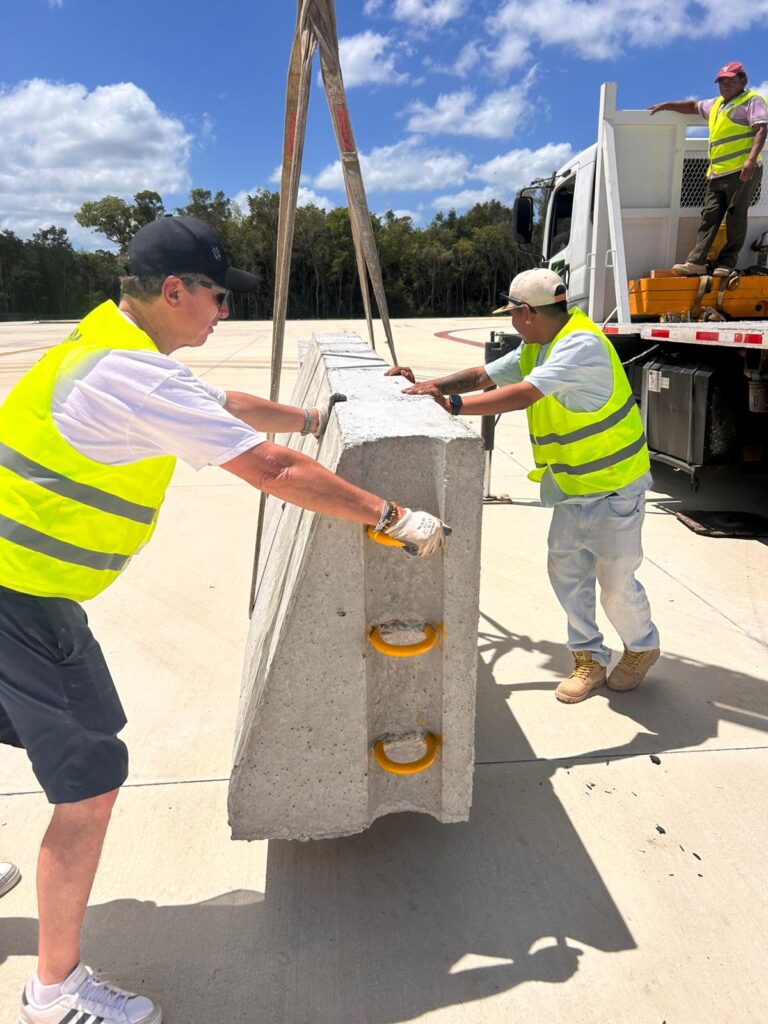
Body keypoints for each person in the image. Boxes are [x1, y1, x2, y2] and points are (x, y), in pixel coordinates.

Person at [0, 215, 447, 1024]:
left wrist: (317, 415)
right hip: (18, 599)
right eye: (214, 295)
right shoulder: (140, 379)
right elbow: (268, 469)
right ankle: (54, 990)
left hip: (12, 584)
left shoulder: (108, 345)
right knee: (90, 781)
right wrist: (390, 514)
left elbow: (226, 404)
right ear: (172, 291)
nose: (223, 312)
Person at [387, 268, 659, 706]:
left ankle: (642, 646)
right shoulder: (539, 346)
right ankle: (588, 655)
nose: (513, 322)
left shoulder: (579, 345)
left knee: (615, 584)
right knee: (568, 576)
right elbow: (483, 376)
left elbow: (523, 395)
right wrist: (430, 387)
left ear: (528, 312)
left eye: (514, 314)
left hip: (614, 487)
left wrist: (451, 405)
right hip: (572, 487)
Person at [649, 61, 767, 277]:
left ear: (743, 80)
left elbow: (761, 129)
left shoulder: (752, 101)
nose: (726, 85)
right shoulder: (716, 105)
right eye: (722, 81)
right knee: (709, 216)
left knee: (735, 215)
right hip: (717, 173)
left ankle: (727, 263)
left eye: (731, 80)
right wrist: (668, 105)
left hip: (742, 170)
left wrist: (751, 160)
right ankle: (697, 261)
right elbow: (693, 107)